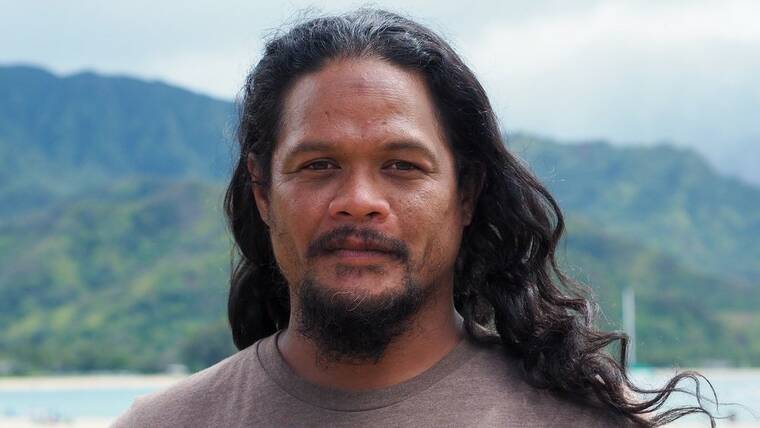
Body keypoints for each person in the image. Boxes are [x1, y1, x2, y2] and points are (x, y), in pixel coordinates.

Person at [113, 9, 715, 428]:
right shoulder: (161, 423)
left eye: (402, 166)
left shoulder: (591, 421)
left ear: (467, 193)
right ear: (263, 191)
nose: (358, 200)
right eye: (319, 164)